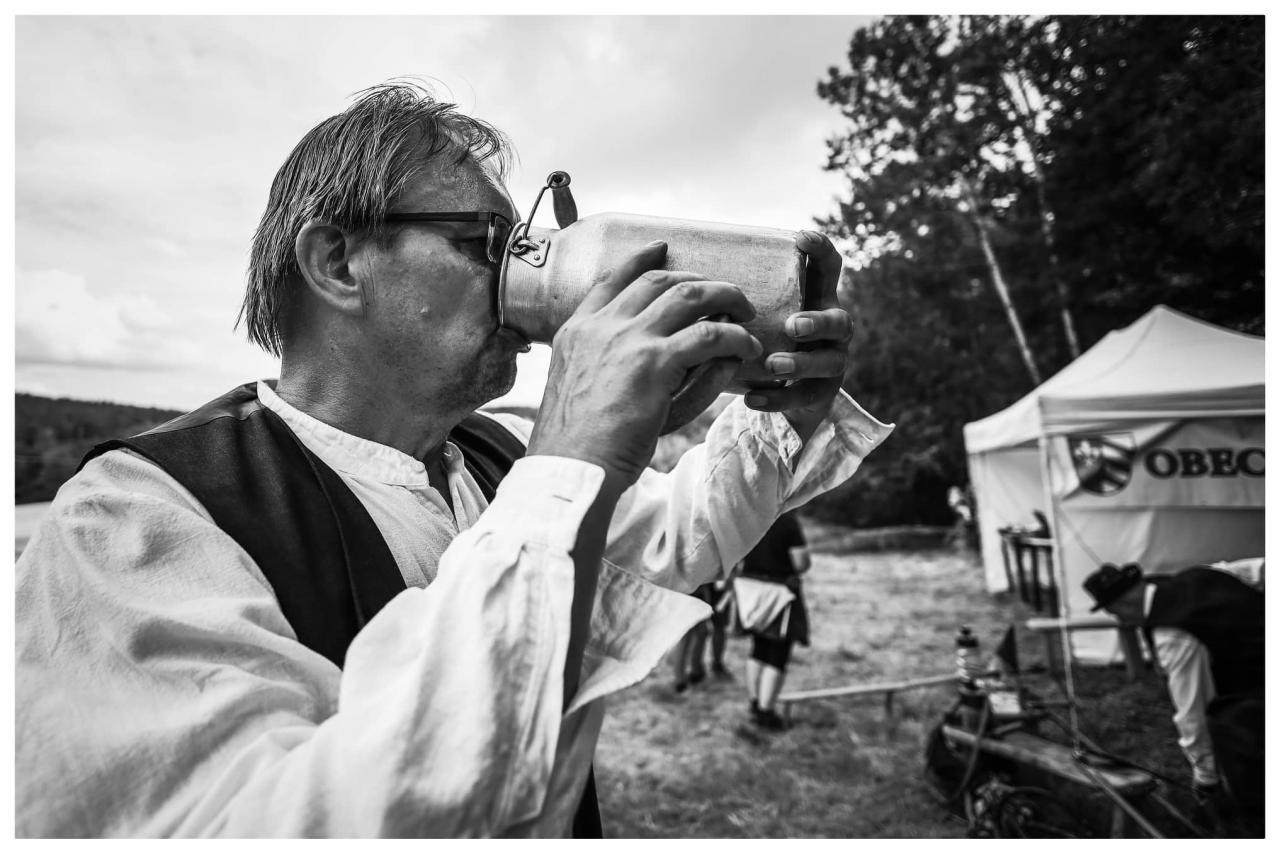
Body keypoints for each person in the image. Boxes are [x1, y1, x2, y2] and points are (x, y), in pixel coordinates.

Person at [14, 82, 894, 838]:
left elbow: (671, 540)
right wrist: (572, 452)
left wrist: (782, 411)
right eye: (483, 244)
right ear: (337, 262)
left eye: (524, 248)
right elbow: (273, 821)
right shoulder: (133, 517)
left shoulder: (493, 454)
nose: (521, 281)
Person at [1083, 562, 1264, 826]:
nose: (1121, 622)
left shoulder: (1172, 634)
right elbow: (1258, 569)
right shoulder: (1198, 572)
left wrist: (1205, 776)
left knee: (1240, 741)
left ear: (1124, 606)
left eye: (1115, 613)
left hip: (1256, 689)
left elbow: (1191, 710)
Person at [735, 510, 811, 730]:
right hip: (778, 592)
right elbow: (800, 563)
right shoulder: (787, 521)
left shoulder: (750, 514)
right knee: (777, 652)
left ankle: (755, 703)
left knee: (758, 648)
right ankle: (765, 713)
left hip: (752, 590)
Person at [671, 579, 733, 693]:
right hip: (694, 590)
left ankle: (691, 672)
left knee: (698, 633)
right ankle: (685, 676)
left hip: (690, 590)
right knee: (691, 634)